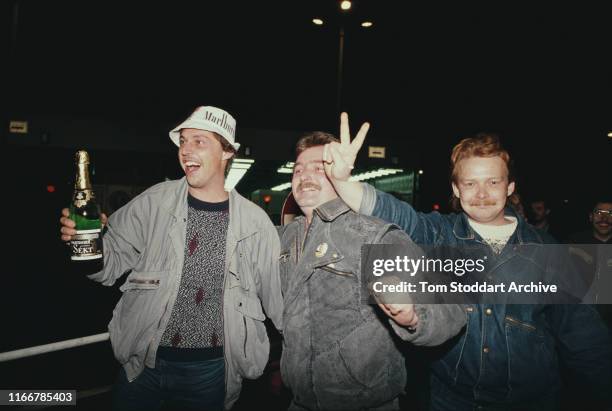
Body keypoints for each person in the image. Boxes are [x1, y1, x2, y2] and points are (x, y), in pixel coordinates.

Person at [323, 115, 611, 410]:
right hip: (452, 401)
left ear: (510, 187)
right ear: (457, 189)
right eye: (470, 183)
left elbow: (585, 340)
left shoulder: (550, 252)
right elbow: (393, 213)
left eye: (493, 182)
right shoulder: (438, 233)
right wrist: (342, 181)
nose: (482, 194)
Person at [59, 106, 283, 411]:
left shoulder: (255, 224)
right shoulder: (154, 203)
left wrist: (292, 363)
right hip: (142, 367)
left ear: (227, 152)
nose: (186, 150)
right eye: (183, 141)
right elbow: (108, 266)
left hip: (210, 372)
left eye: (199, 141)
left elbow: (278, 301)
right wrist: (87, 244)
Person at [278, 129, 467, 410]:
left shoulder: (367, 235)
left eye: (319, 168)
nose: (305, 176)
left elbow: (450, 309)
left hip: (362, 403)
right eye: (299, 169)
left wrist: (414, 315)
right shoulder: (286, 237)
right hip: (300, 401)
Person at [566, 198, 612, 325]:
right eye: (599, 212)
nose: (604, 218)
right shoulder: (574, 243)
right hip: (582, 322)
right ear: (591, 217)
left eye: (610, 213)